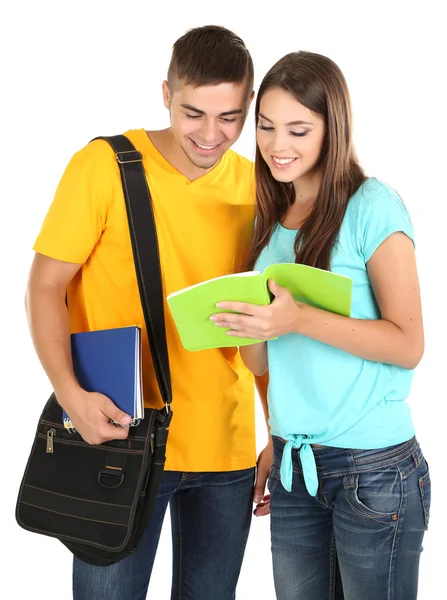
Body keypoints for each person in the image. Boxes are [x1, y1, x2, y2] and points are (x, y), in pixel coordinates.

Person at [25, 25, 271, 600]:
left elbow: (266, 320)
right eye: (193, 113)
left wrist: (276, 429)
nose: (211, 135)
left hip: (227, 450)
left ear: (249, 107)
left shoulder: (259, 185)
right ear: (165, 94)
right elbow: (44, 286)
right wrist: (69, 395)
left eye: (231, 117)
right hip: (117, 437)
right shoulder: (103, 166)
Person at [212, 51, 431, 600]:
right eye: (265, 127)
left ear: (332, 130)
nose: (277, 145)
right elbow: (267, 361)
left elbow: (408, 345)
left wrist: (300, 317)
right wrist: (250, 330)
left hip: (372, 470)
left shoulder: (371, 206)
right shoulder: (269, 218)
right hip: (293, 465)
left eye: (298, 130)